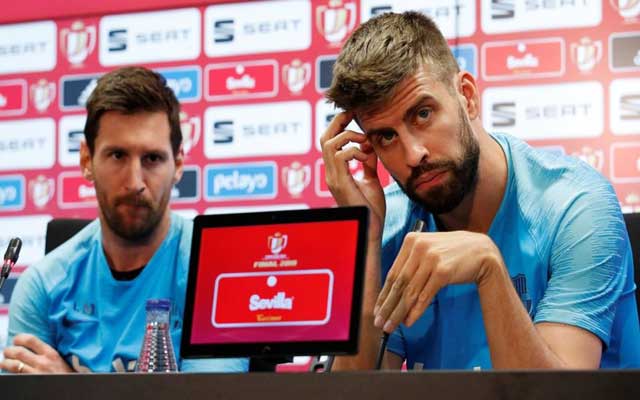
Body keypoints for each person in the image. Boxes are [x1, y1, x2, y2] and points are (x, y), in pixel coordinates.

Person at [321, 11, 640, 370]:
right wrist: (365, 242)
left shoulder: (576, 205)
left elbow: (559, 393)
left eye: (423, 114)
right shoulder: (389, 226)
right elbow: (358, 392)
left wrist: (488, 268)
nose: (413, 155)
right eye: (387, 137)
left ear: (467, 96)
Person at [0, 67, 248, 373]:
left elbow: (211, 395)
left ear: (178, 163)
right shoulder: (42, 286)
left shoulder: (214, 276)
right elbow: (21, 394)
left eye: (152, 158)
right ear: (87, 160)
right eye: (117, 155)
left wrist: (68, 388)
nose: (134, 182)